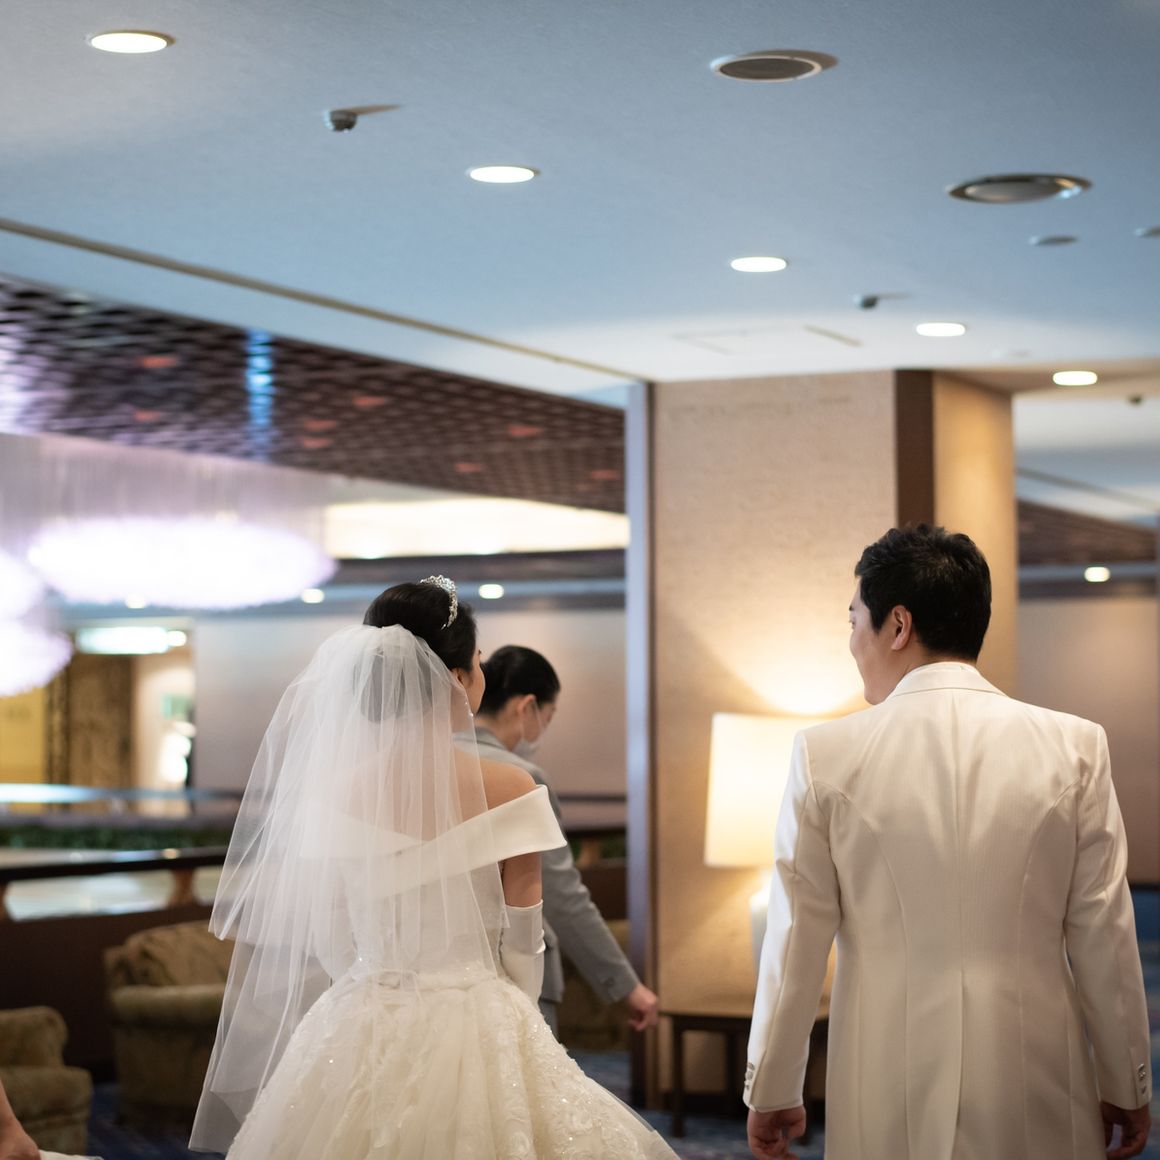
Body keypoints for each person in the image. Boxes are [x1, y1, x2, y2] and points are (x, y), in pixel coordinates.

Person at [190, 577, 677, 1159]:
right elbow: (525, 941)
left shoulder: (332, 795)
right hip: (477, 1007)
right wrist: (516, 1024)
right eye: (478, 661)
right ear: (457, 678)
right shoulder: (512, 787)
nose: (482, 672)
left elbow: (333, 935)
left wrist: (378, 979)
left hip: (365, 1008)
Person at [744, 525, 1152, 1160]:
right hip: (1038, 1066)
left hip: (884, 1069)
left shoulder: (825, 755)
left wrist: (771, 1087)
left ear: (897, 625)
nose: (852, 642)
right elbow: (1103, 929)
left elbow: (796, 938)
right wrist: (1127, 1081)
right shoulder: (1075, 747)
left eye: (853, 620)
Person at [470, 645, 660, 1037]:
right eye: (549, 716)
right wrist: (627, 986)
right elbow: (560, 894)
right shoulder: (524, 778)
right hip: (515, 974)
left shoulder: (423, 768)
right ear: (527, 707)